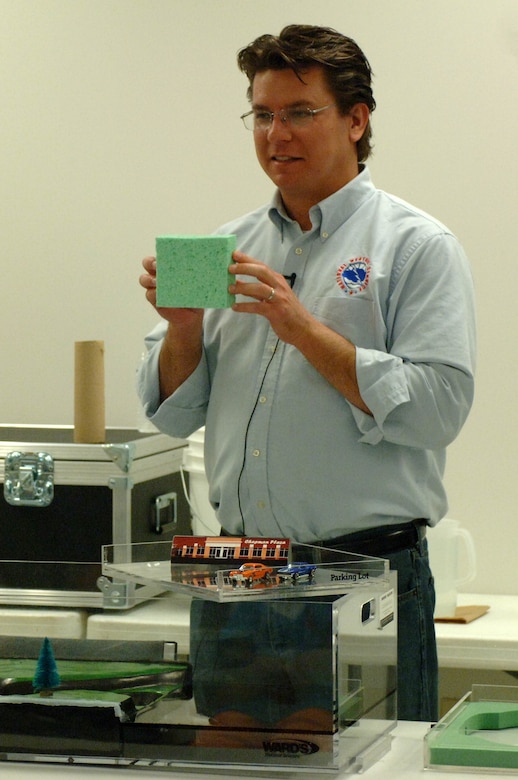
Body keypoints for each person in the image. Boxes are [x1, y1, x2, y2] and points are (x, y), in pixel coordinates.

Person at [138, 24, 476, 723]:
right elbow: (172, 415)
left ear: (356, 120)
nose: (275, 134)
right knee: (233, 775)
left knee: (381, 771)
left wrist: (301, 329)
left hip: (362, 578)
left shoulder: (417, 247)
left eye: (299, 113)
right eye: (262, 115)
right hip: (235, 574)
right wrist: (183, 328)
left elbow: (440, 408)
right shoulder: (226, 248)